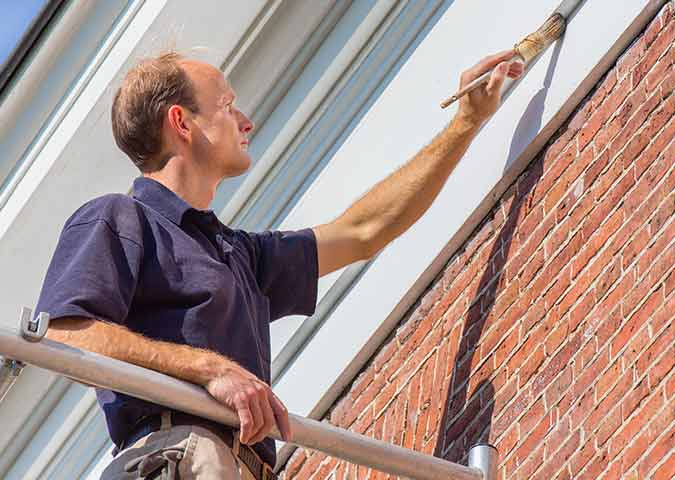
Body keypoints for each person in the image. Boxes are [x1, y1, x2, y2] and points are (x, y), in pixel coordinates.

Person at [35, 49, 523, 479]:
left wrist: (465, 124)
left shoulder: (238, 254)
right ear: (182, 124)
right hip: (182, 458)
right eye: (227, 106)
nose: (247, 121)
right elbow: (66, 333)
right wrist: (207, 368)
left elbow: (362, 232)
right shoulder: (118, 218)